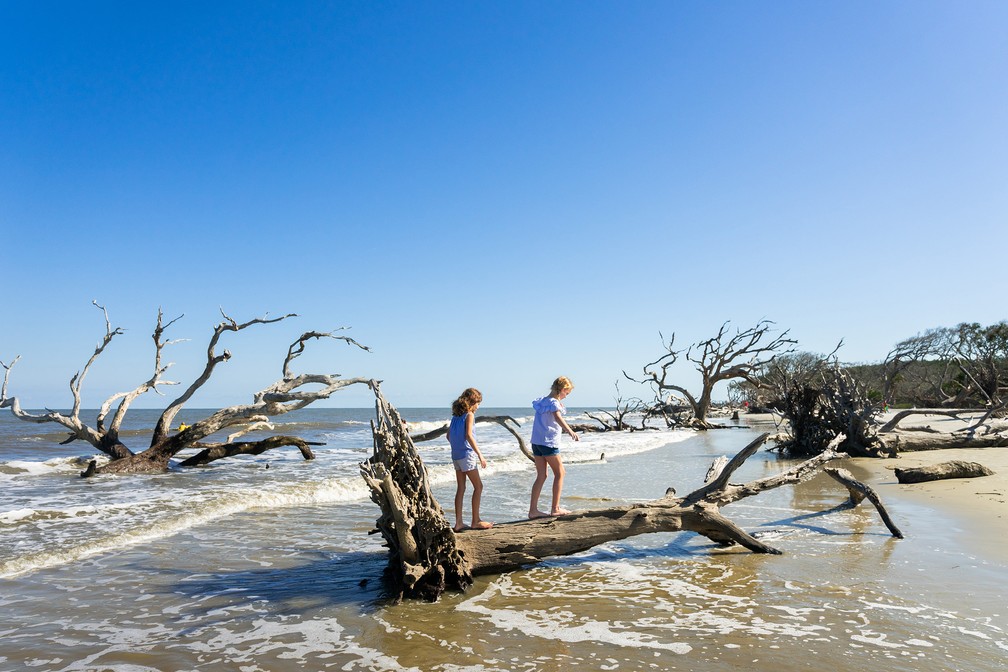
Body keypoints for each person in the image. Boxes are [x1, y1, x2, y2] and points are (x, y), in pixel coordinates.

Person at [529, 376, 580, 518]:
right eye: (567, 393)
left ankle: (533, 510)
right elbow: (557, 417)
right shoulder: (553, 403)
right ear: (563, 390)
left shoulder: (542, 401)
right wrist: (570, 431)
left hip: (536, 443)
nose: (566, 396)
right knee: (560, 473)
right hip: (548, 443)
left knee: (541, 475)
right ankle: (555, 508)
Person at [447, 387, 493, 532]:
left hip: (456, 455)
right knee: (478, 486)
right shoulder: (469, 415)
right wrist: (480, 455)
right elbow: (468, 435)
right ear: (472, 402)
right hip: (467, 455)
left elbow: (448, 436)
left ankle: (458, 523)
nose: (478, 407)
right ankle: (475, 521)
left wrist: (457, 447)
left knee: (461, 488)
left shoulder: (455, 417)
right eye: (478, 403)